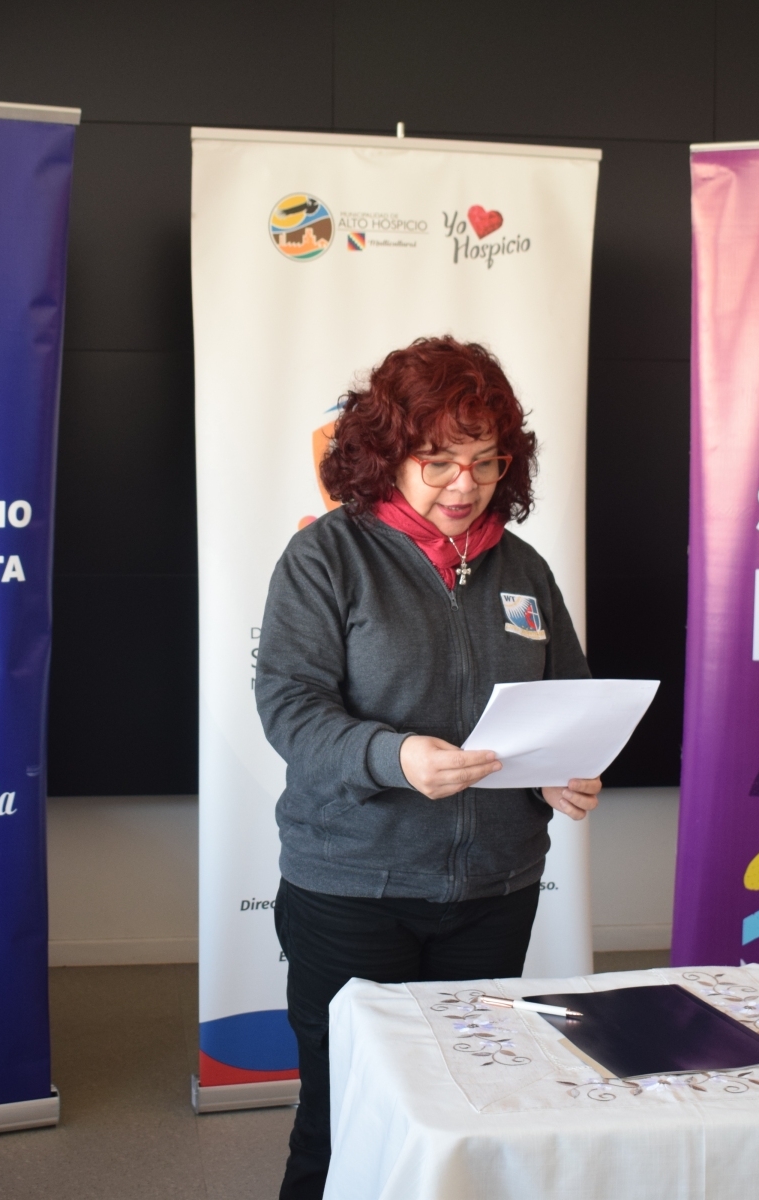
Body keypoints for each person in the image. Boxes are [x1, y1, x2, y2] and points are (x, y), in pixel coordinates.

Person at [255, 335, 601, 1199]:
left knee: (471, 1112)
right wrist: (393, 755)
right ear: (386, 455)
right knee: (341, 1120)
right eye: (438, 461)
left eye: (485, 461)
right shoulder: (326, 557)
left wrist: (564, 767)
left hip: (495, 891)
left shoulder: (523, 567)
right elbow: (290, 706)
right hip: (353, 891)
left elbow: (568, 694)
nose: (463, 485)